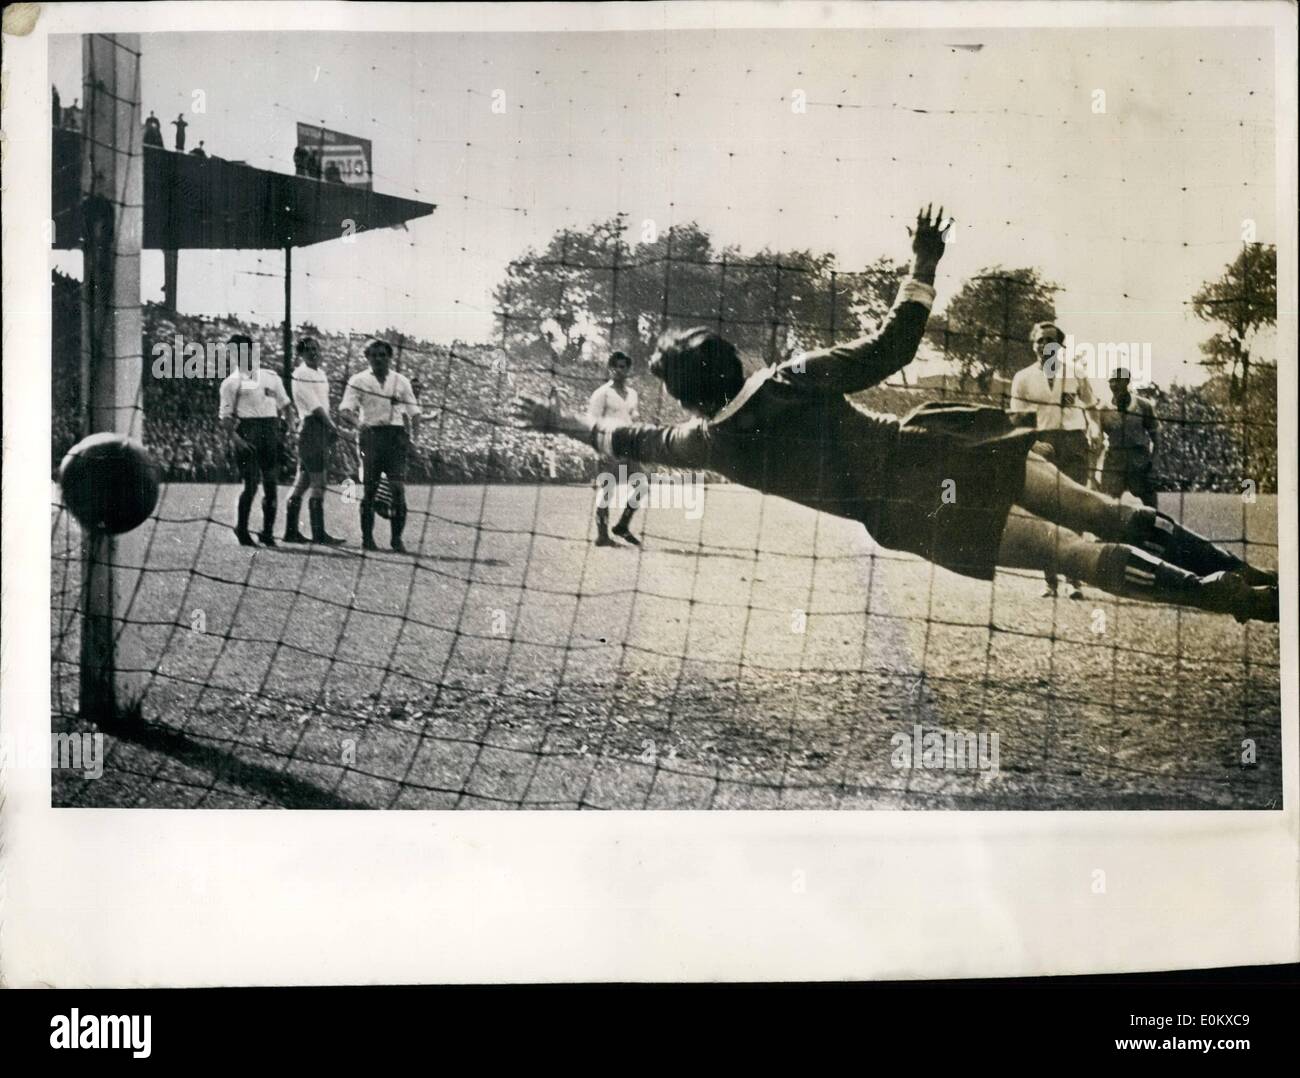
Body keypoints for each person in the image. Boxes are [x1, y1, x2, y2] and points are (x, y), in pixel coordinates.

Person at [512, 207, 1277, 623]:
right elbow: (896, 340)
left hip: (909, 516)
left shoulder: (712, 445)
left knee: (1069, 556)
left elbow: (632, 439)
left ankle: (1213, 599)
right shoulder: (793, 377)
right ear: (733, 360)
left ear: (689, 396)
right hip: (944, 454)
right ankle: (1241, 573)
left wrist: (557, 423)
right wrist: (923, 261)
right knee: (1104, 512)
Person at [1009, 321, 1099, 599]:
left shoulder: (1075, 374)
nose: (1044, 345)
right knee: (1045, 512)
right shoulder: (1022, 378)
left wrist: (1094, 429)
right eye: (1039, 340)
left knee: (1076, 508)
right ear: (1033, 344)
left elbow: (1092, 408)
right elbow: (1017, 420)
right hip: (1042, 444)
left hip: (1073, 443)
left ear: (1060, 346)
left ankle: (1075, 579)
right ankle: (1050, 581)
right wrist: (1033, 443)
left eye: (1050, 340)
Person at [339, 339, 420, 553]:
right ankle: (368, 539)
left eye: (383, 355)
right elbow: (345, 410)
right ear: (367, 358)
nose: (378, 359)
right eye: (374, 355)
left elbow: (414, 412)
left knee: (397, 490)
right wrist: (360, 424)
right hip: (371, 437)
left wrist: (414, 438)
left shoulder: (400, 381)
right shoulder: (358, 380)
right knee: (370, 490)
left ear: (390, 357)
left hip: (395, 438)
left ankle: (396, 539)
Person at [217, 334, 291, 547]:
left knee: (271, 484)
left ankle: (267, 533)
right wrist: (238, 441)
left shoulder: (271, 377)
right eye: (232, 352)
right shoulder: (231, 383)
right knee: (250, 485)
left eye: (240, 351)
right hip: (248, 434)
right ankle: (241, 529)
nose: (236, 356)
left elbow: (286, 405)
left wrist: (288, 427)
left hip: (270, 433)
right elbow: (225, 418)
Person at [283, 337, 345, 545]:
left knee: (303, 482)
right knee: (319, 483)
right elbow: (314, 406)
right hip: (311, 427)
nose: (313, 352)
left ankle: (291, 532)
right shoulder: (300, 374)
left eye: (315, 348)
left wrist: (328, 427)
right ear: (301, 353)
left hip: (320, 429)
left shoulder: (321, 374)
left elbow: (324, 405)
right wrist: (331, 425)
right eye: (308, 350)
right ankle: (318, 534)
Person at [587, 350, 641, 546]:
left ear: (628, 369)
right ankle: (602, 536)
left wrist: (636, 419)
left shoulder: (632, 393)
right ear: (610, 369)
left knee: (641, 486)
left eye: (624, 367)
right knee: (607, 490)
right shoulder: (602, 393)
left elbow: (633, 415)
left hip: (629, 446)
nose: (620, 370)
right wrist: (598, 448)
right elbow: (592, 422)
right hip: (608, 445)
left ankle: (622, 525)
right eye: (616, 366)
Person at [1097, 366, 1159, 508]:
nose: (1114, 385)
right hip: (1115, 459)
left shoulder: (1144, 406)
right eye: (1111, 381)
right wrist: (1096, 468)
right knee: (1107, 505)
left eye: (1118, 381)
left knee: (1150, 507)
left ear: (1127, 381)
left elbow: (1156, 437)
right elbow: (1099, 440)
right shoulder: (1104, 409)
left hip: (1139, 459)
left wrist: (1154, 463)